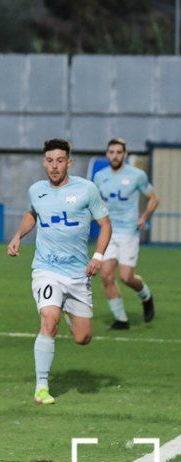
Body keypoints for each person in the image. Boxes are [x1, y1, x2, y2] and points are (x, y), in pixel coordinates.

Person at [7, 138, 111, 405]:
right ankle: (42, 387)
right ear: (44, 162)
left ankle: (67, 309)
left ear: (69, 162)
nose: (54, 166)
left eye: (60, 160)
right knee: (48, 320)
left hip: (78, 274)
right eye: (50, 161)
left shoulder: (87, 189)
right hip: (46, 269)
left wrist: (98, 256)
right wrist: (18, 235)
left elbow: (105, 224)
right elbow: (33, 213)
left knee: (82, 338)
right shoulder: (36, 190)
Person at [94, 138, 159, 329]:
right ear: (107, 154)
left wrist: (144, 216)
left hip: (128, 232)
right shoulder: (100, 177)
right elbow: (94, 201)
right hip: (108, 231)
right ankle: (121, 319)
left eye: (118, 152)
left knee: (126, 277)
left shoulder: (136, 175)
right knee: (105, 275)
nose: (115, 156)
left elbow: (154, 198)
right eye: (111, 152)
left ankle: (146, 296)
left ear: (125, 155)